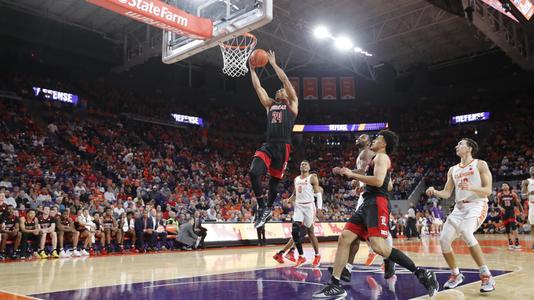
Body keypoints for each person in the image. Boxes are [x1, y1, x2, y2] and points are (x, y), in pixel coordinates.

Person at [314, 130, 438, 298]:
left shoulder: (382, 157)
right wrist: (361, 184)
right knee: (345, 238)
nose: (374, 140)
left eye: (377, 138)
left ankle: (421, 273)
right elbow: (379, 181)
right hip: (367, 201)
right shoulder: (375, 159)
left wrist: (352, 174)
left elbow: (380, 182)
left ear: (384, 143)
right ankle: (335, 284)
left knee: (378, 247)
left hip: (377, 203)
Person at [426, 138, 495, 292]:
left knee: (465, 231)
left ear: (469, 148)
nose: (457, 146)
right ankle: (456, 274)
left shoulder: (480, 164)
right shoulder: (453, 169)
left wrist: (472, 187)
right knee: (444, 240)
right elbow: (447, 192)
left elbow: (488, 190)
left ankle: (486, 275)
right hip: (458, 208)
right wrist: (435, 191)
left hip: (477, 205)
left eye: (461, 144)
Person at [248, 50, 298, 229]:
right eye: (278, 90)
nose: (280, 89)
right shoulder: (270, 105)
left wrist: (273, 63)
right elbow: (258, 88)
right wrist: (253, 70)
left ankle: (268, 208)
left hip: (283, 146)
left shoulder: (292, 104)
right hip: (269, 144)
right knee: (254, 172)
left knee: (273, 185)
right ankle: (262, 207)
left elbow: (284, 80)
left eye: (282, 89)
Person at [273, 160, 324, 267]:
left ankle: (317, 255)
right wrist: (289, 200)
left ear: (309, 167)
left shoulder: (312, 178)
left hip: (309, 207)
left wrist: (319, 209)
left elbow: (318, 195)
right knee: (295, 230)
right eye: (301, 164)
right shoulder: (296, 179)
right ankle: (301, 256)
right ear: (299, 167)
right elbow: (296, 193)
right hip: (299, 207)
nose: (303, 165)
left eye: (305, 164)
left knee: (309, 233)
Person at [497, 183, 523, 250]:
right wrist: (501, 208)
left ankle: (517, 242)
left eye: (506, 185)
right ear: (502, 188)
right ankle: (510, 242)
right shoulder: (500, 195)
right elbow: (498, 204)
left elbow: (517, 203)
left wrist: (520, 210)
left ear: (508, 186)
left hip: (511, 212)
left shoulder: (513, 194)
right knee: (507, 228)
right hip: (504, 213)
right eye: (503, 185)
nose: (504, 186)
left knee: (513, 226)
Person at [521, 166, 534, 251]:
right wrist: (530, 193)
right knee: (533, 225)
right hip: (532, 204)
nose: (533, 170)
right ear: (529, 171)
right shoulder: (526, 181)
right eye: (531, 169)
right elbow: (522, 196)